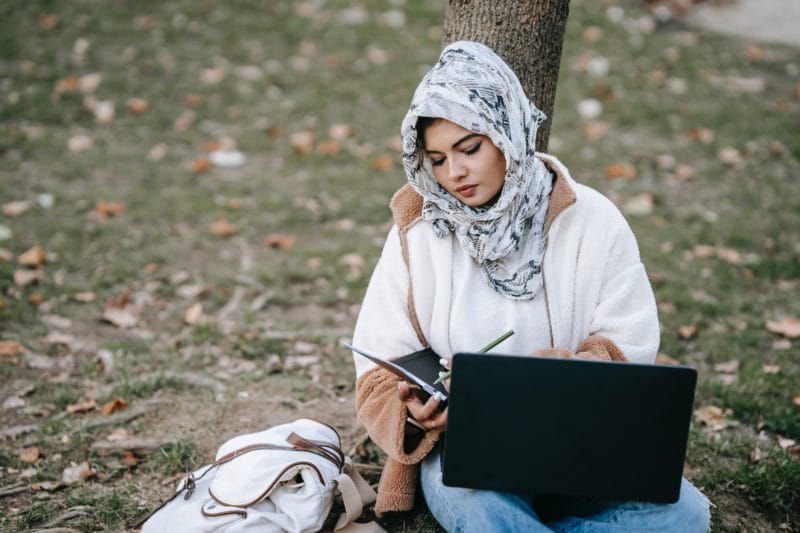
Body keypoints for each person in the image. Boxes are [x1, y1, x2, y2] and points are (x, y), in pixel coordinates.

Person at [351, 41, 711, 532]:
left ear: (507, 134)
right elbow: (377, 364)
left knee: (686, 514)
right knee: (482, 508)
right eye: (436, 158)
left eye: (469, 148)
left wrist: (533, 387)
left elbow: (626, 346)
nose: (453, 173)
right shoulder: (419, 229)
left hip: (578, 442)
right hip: (468, 450)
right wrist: (416, 412)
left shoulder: (593, 220)